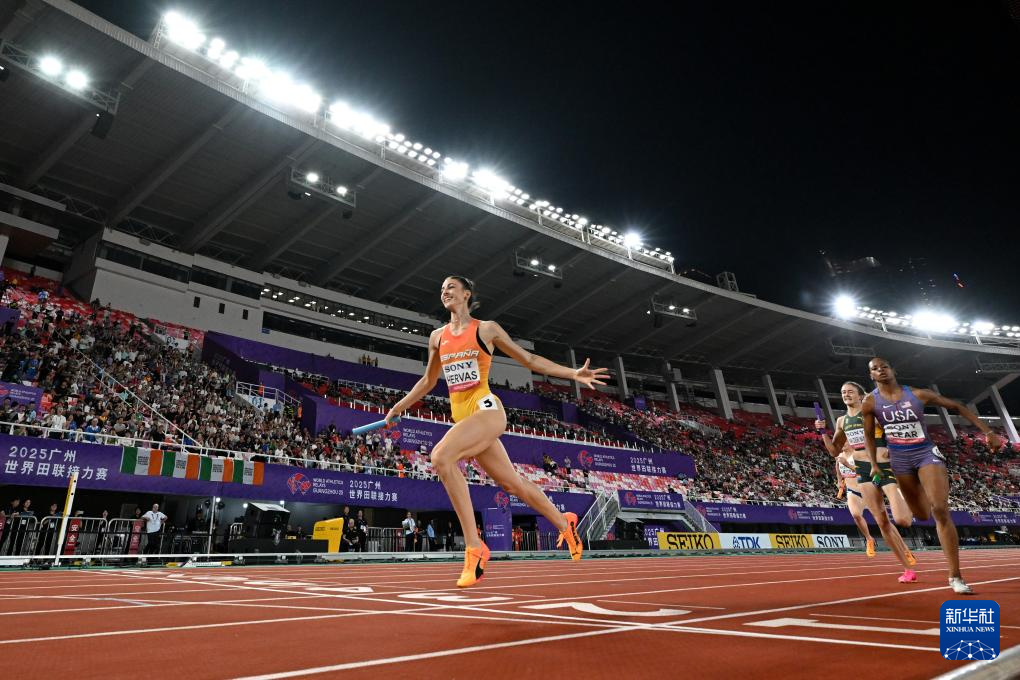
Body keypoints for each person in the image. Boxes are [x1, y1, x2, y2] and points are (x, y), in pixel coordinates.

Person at [385, 276, 606, 587]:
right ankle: (565, 523)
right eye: (442, 288)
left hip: (487, 410)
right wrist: (399, 406)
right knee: (512, 484)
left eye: (451, 287)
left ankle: (474, 548)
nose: (445, 291)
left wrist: (573, 373)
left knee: (441, 457)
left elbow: (528, 359)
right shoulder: (437, 337)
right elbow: (428, 381)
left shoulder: (485, 329)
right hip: (464, 419)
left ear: (466, 294)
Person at [861, 357, 1003, 594]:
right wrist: (874, 464)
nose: (880, 370)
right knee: (923, 514)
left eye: (884, 366)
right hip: (899, 459)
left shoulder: (919, 394)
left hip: (926, 453)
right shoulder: (870, 402)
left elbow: (956, 406)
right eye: (875, 369)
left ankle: (955, 576)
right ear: (871, 376)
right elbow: (868, 435)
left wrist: (988, 432)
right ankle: (917, 494)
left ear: (893, 369)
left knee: (939, 509)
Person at [818, 381, 917, 582]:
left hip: (884, 466)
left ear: (861, 396)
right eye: (843, 392)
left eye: (850, 392)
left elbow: (897, 432)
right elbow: (835, 451)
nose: (846, 394)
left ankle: (911, 496)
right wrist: (822, 433)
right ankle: (908, 570)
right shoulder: (842, 421)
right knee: (882, 522)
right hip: (863, 472)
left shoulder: (874, 413)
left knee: (903, 520)